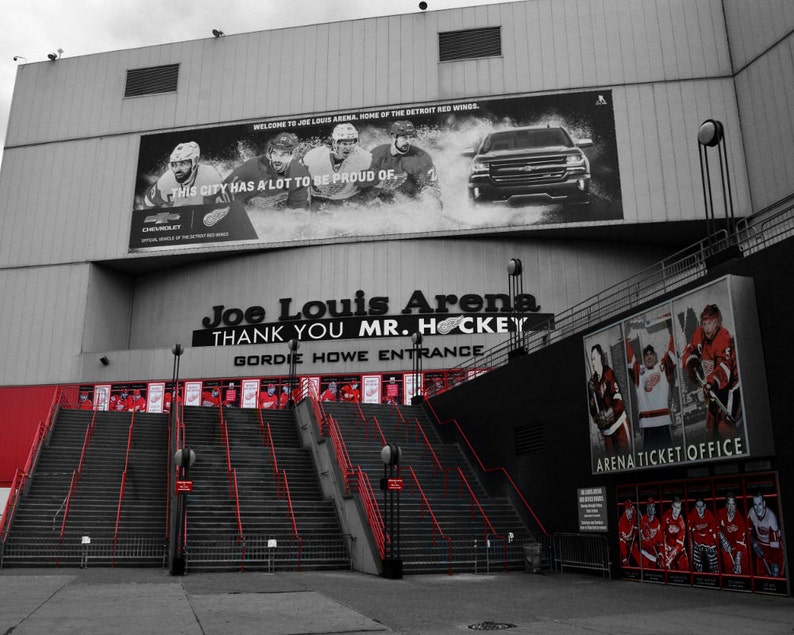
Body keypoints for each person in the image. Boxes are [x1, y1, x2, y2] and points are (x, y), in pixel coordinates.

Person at [681, 304, 741, 440]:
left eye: (710, 323)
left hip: (731, 387)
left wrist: (713, 382)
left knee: (725, 427)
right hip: (712, 387)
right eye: (705, 324)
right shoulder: (699, 334)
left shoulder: (723, 336)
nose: (707, 327)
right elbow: (688, 351)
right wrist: (691, 362)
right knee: (710, 432)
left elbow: (725, 367)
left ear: (717, 322)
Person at [223, 132, 310, 210]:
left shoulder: (300, 174)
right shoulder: (250, 170)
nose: (277, 159)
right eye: (275, 153)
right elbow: (221, 198)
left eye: (284, 154)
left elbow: (298, 211)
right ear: (270, 152)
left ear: (293, 155)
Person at [626, 332, 677, 452]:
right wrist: (625, 339)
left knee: (669, 459)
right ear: (643, 358)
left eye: (651, 354)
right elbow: (630, 357)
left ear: (655, 356)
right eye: (646, 355)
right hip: (647, 425)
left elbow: (672, 352)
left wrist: (671, 332)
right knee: (650, 461)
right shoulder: (639, 371)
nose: (649, 357)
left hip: (663, 422)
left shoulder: (662, 367)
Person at [303, 123, 376, 206]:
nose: (348, 148)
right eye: (344, 144)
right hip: (320, 199)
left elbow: (371, 189)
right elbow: (301, 187)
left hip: (351, 199)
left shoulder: (365, 159)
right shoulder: (314, 158)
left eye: (351, 143)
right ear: (334, 143)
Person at [367, 120, 440, 202]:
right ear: (393, 137)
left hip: (413, 203)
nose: (408, 142)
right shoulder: (376, 155)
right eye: (404, 137)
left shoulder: (421, 159)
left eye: (410, 137)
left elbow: (433, 195)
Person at [143, 141, 225, 207]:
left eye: (183, 163)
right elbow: (147, 203)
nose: (178, 169)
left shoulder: (210, 177)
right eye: (174, 164)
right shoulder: (165, 183)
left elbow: (224, 209)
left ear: (195, 162)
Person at [588, 343, 631, 457]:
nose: (592, 363)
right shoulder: (592, 383)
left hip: (619, 425)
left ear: (601, 358)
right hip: (607, 432)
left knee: (628, 461)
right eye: (591, 359)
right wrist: (597, 418)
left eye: (594, 358)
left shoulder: (609, 373)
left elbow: (618, 399)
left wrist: (610, 412)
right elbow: (592, 409)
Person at [747, 492, 784, 577]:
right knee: (761, 575)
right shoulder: (751, 513)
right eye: (755, 505)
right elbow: (747, 532)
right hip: (761, 544)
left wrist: (775, 562)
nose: (757, 508)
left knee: (776, 574)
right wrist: (754, 543)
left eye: (759, 504)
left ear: (764, 503)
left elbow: (775, 546)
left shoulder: (771, 518)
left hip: (776, 548)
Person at [717, 493, 749, 575]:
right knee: (729, 570)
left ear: (736, 505)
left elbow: (740, 542)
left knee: (742, 570)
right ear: (726, 505)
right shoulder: (720, 513)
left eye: (733, 505)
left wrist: (737, 562)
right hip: (726, 547)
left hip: (739, 548)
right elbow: (715, 527)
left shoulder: (740, 519)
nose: (731, 508)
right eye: (729, 504)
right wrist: (722, 537)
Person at [688, 498, 718, 573]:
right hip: (698, 543)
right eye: (698, 507)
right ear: (695, 507)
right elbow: (688, 531)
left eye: (702, 506)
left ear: (705, 506)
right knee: (697, 566)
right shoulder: (692, 514)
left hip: (709, 544)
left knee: (714, 566)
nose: (700, 509)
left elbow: (715, 532)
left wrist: (715, 545)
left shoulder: (709, 514)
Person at [661, 496, 689, 570]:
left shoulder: (681, 523)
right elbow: (662, 533)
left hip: (679, 551)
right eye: (675, 507)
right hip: (668, 548)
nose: (677, 511)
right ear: (672, 506)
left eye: (678, 508)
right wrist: (665, 549)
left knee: (684, 569)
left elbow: (680, 544)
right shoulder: (666, 516)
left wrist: (670, 556)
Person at [639, 497, 664, 569]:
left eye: (652, 506)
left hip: (653, 553)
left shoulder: (657, 523)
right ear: (647, 508)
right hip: (643, 552)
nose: (651, 508)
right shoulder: (642, 520)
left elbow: (660, 542)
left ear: (655, 509)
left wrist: (660, 555)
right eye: (649, 506)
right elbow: (640, 536)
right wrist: (643, 533)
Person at [618, 499, 640, 567]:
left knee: (637, 555)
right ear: (625, 510)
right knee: (624, 556)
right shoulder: (622, 522)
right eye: (627, 510)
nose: (630, 512)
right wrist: (634, 530)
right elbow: (627, 537)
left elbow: (635, 522)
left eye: (630, 509)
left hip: (631, 539)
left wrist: (636, 529)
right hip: (623, 540)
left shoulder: (634, 511)